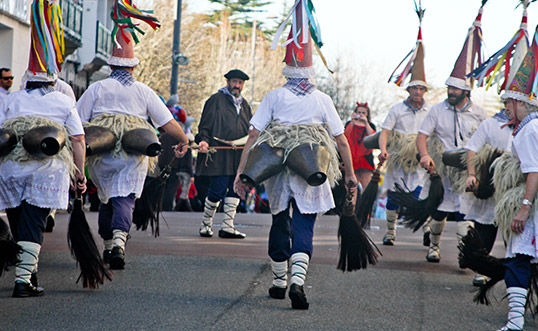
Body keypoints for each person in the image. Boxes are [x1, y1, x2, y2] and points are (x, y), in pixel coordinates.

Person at [234, 0, 357, 310]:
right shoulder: (322, 100)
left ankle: (278, 280)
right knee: (304, 224)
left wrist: (242, 173)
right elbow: (341, 141)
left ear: (287, 72)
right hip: (312, 164)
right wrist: (351, 175)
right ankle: (296, 282)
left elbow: (253, 135)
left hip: (277, 167)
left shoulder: (274, 97)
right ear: (311, 73)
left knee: (279, 221)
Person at [77, 27, 188, 270]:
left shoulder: (97, 88)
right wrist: (184, 139)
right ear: (133, 67)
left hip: (102, 153)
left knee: (106, 198)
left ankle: (108, 246)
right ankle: (118, 243)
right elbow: (167, 122)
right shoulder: (143, 91)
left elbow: (77, 121)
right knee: (125, 198)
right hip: (134, 152)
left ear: (112, 67)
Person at [0, 0, 86, 297]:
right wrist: (80, 173)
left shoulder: (12, 99)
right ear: (52, 77)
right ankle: (23, 282)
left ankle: (30, 274)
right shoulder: (63, 101)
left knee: (19, 222)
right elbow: (77, 138)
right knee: (35, 223)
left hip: (10, 170)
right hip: (44, 170)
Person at [416, 3, 487, 263]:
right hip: (444, 167)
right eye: (449, 89)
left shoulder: (480, 113)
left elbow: (486, 141)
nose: (451, 93)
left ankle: (464, 255)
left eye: (456, 90)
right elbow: (422, 135)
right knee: (440, 210)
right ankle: (433, 248)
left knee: (466, 213)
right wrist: (424, 156)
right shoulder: (437, 110)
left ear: (466, 92)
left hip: (469, 169)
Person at [490, 22, 538, 331]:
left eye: (509, 101)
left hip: (532, 208)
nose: (506, 107)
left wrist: (523, 207)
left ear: (522, 102)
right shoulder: (531, 126)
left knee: (518, 260)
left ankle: (515, 323)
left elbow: (534, 171)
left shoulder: (528, 131)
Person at [379, 7, 429, 246]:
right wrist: (383, 150)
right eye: (414, 88)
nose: (417, 92)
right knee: (395, 197)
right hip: (399, 159)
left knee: (422, 195)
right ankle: (390, 233)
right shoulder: (396, 109)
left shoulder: (433, 111)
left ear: (425, 91)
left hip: (421, 159)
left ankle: (428, 229)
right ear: (408, 90)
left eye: (421, 89)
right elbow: (385, 131)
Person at [195, 69, 252, 239]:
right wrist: (203, 140)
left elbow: (251, 130)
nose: (237, 85)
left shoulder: (245, 105)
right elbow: (204, 125)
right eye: (234, 82)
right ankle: (206, 224)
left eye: (240, 83)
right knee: (217, 189)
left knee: (236, 189)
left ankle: (227, 227)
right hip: (219, 153)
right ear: (228, 82)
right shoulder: (215, 100)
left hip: (238, 155)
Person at [344, 102, 376, 191]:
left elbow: (373, 138)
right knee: (351, 189)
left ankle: (365, 205)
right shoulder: (349, 123)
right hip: (351, 159)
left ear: (367, 114)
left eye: (363, 113)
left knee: (367, 188)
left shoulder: (371, 125)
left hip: (365, 159)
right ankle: (352, 205)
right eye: (359, 112)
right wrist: (352, 122)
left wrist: (366, 123)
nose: (361, 115)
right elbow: (345, 136)